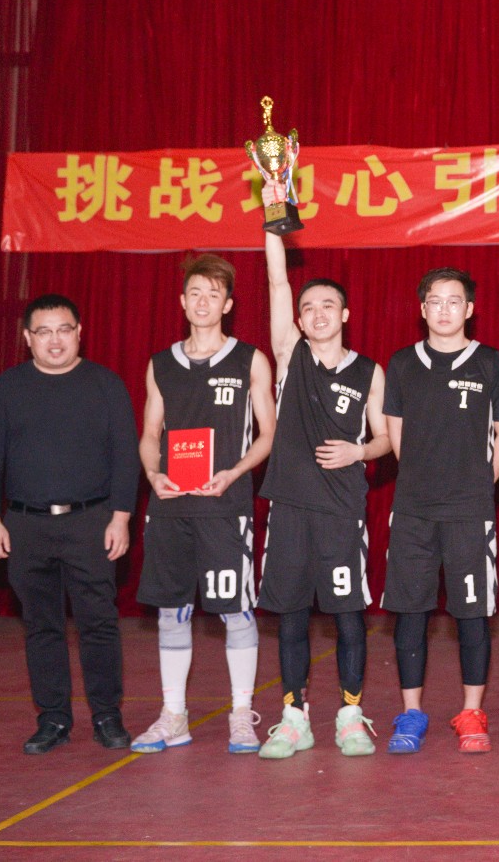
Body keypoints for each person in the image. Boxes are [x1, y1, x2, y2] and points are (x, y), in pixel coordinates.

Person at [0, 295, 139, 754]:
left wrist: (121, 517)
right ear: (28, 339)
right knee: (41, 626)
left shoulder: (105, 384)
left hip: (92, 522)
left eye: (63, 330)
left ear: (79, 332)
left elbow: (126, 456)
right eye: (43, 332)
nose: (54, 341)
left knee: (98, 624)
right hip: (25, 526)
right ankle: (53, 718)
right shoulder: (7, 388)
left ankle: (107, 715)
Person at [253, 232, 392, 759]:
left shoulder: (369, 371)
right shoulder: (291, 356)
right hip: (290, 507)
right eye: (308, 307)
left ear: (345, 314)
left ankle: (350, 716)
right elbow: (276, 281)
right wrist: (273, 225)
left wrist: (360, 452)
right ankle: (295, 719)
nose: (316, 313)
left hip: (341, 511)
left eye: (327, 305)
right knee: (291, 616)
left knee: (347, 615)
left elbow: (385, 438)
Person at [131, 254, 276, 754]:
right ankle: (174, 716)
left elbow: (268, 434)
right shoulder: (160, 364)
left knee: (236, 611)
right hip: (171, 506)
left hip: (225, 506)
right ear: (182, 301)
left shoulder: (250, 360)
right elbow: (150, 433)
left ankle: (241, 715)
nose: (202, 302)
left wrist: (234, 472)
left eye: (213, 295)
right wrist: (154, 474)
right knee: (172, 611)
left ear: (227, 304)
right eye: (195, 293)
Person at [381, 267, 499, 754]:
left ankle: (471, 711)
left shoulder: (491, 363)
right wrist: (423, 479)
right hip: (413, 509)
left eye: (453, 301)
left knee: (472, 614)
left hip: (469, 511)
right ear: (423, 309)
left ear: (469, 309)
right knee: (411, 612)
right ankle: (411, 713)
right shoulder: (403, 363)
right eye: (435, 301)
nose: (444, 310)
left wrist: (479, 485)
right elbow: (395, 430)